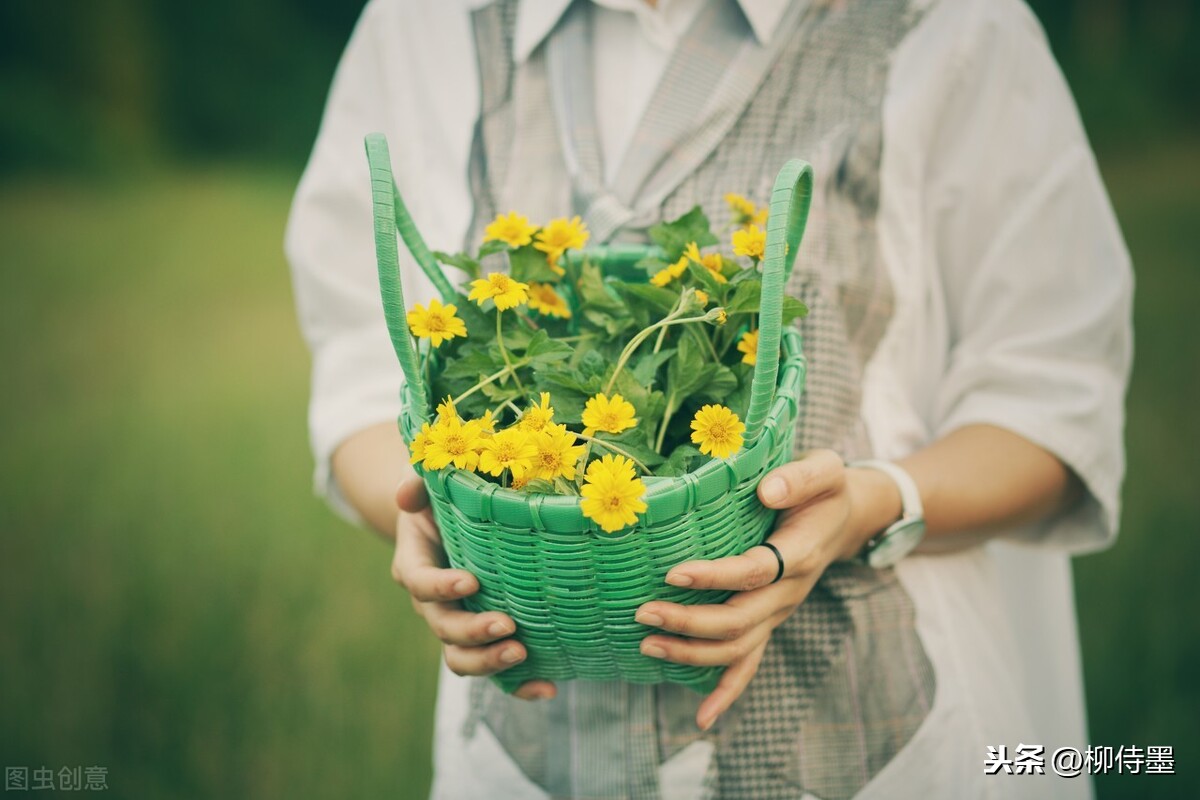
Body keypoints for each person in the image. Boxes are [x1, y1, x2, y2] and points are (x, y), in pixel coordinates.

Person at [286, 0, 1133, 797]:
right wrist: (429, 515)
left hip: (871, 736)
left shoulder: (950, 25)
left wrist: (869, 504)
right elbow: (364, 369)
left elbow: (1053, 398)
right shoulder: (422, 24)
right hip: (525, 758)